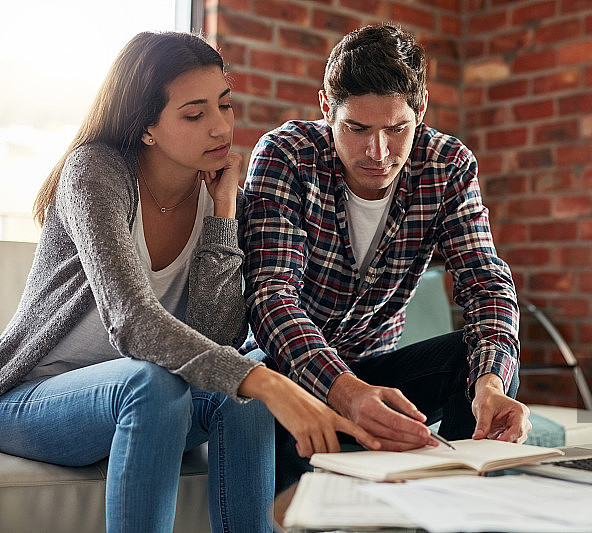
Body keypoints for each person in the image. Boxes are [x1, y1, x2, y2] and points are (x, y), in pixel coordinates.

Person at [0, 31, 377, 533]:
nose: (220, 127)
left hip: (148, 399)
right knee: (158, 383)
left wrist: (222, 214)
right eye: (195, 114)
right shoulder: (94, 172)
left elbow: (215, 341)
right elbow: (131, 321)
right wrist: (270, 383)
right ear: (147, 127)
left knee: (240, 394)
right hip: (35, 398)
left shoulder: (214, 196)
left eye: (225, 105)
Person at [242, 23, 532, 492]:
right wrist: (347, 392)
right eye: (357, 129)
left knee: (480, 360)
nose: (379, 152)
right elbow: (270, 297)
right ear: (326, 109)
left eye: (398, 129)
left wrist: (492, 383)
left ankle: (453, 506)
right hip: (293, 375)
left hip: (380, 371)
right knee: (264, 381)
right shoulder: (286, 156)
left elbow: (486, 284)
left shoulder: (446, 165)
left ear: (421, 109)